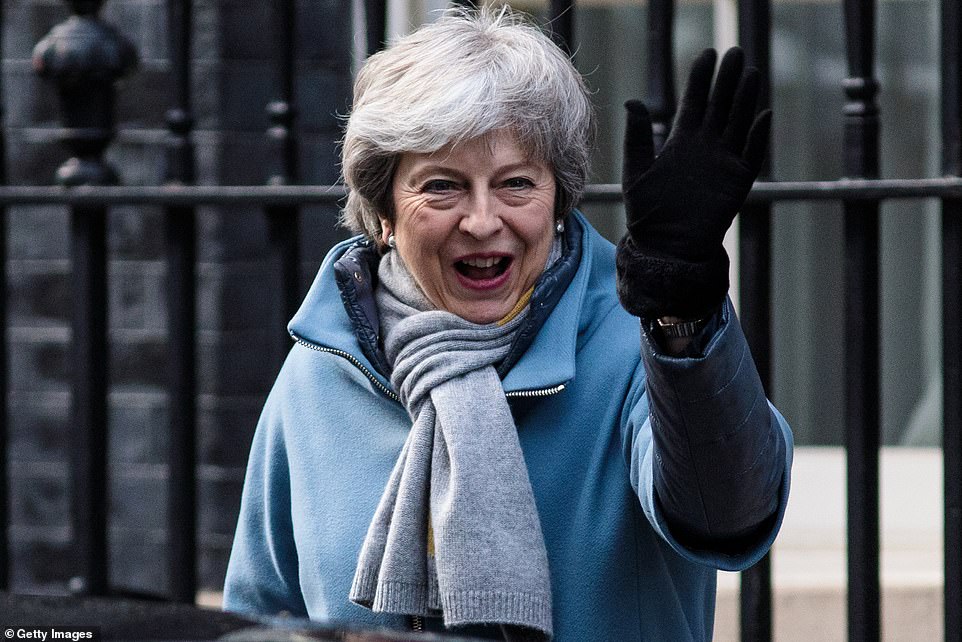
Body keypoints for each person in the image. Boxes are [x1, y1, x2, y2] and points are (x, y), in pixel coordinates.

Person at [223, 8, 793, 642]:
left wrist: (685, 314)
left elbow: (732, 514)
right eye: (442, 187)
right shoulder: (319, 374)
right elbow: (259, 619)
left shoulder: (632, 347)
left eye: (516, 183)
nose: (482, 220)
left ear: (557, 200)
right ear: (382, 211)